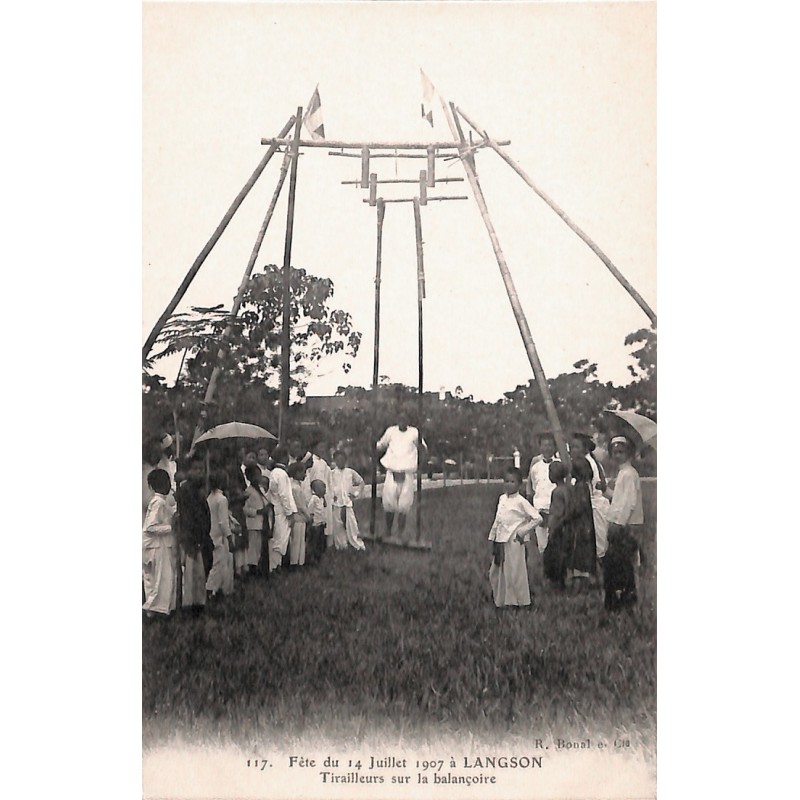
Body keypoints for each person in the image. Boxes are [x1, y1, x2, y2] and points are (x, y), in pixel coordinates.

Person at [487, 467, 541, 608]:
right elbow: (498, 519)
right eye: (506, 481)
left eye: (512, 481)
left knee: (515, 571)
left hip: (514, 540)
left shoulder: (521, 501)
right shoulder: (502, 498)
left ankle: (519, 601)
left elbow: (537, 518)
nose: (509, 484)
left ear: (519, 484)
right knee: (497, 569)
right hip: (501, 540)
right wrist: (493, 537)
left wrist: (522, 532)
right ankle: (501, 599)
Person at [603, 435, 644, 611]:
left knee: (622, 561)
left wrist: (619, 523)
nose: (618, 455)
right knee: (615, 561)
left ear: (629, 453)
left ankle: (625, 597)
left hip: (623, 525)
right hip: (617, 522)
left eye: (622, 452)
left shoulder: (629, 474)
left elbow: (629, 502)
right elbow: (618, 499)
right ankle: (618, 597)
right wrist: (605, 490)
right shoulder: (622, 473)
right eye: (615, 452)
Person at [376, 409, 426, 540]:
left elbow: (423, 449)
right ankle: (388, 531)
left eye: (404, 419)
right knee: (388, 503)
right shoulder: (391, 431)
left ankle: (400, 533)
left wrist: (421, 463)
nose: (402, 421)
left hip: (407, 473)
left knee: (404, 505)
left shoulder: (414, 432)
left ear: (408, 421)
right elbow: (380, 445)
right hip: (392, 472)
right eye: (400, 419)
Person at [175, 457, 212, 614]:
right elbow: (188, 517)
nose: (200, 473)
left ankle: (198, 602)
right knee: (190, 573)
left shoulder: (199, 491)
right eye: (196, 470)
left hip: (200, 536)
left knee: (199, 572)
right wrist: (193, 537)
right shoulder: (185, 491)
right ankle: (189, 605)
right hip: (190, 537)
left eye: (202, 470)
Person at [142, 468, 178, 618]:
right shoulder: (158, 503)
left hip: (156, 545)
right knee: (160, 578)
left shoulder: (161, 502)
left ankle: (154, 611)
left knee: (154, 579)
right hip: (156, 546)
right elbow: (150, 527)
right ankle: (154, 609)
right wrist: (170, 527)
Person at [570, 432, 610, 561]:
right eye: (571, 447)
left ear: (585, 448)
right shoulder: (591, 461)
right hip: (594, 505)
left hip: (594, 507)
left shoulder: (586, 463)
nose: (572, 450)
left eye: (576, 447)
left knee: (597, 544)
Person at [563, 456, 598, 591]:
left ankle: (581, 581)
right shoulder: (585, 486)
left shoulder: (580, 487)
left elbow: (578, 507)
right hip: (585, 524)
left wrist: (567, 516)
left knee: (579, 551)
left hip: (580, 525)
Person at [265, 447, 298, 572]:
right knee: (280, 540)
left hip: (275, 509)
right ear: (284, 458)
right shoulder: (281, 474)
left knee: (277, 539)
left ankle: (275, 566)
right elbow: (284, 496)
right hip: (281, 511)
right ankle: (274, 567)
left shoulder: (274, 473)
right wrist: (289, 513)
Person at [527, 432, 560, 554]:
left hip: (555, 508)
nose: (547, 448)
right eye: (544, 445)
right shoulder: (536, 465)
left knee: (556, 541)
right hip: (540, 508)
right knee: (542, 543)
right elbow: (534, 486)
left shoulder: (558, 464)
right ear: (540, 447)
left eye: (550, 445)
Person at [330, 449, 366, 551]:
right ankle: (342, 546)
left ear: (345, 460)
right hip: (336, 503)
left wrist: (356, 494)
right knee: (338, 525)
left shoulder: (350, 472)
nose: (340, 461)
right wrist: (332, 495)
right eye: (338, 459)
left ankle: (356, 544)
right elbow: (328, 486)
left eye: (342, 459)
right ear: (335, 461)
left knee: (352, 525)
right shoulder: (332, 473)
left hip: (347, 502)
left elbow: (361, 482)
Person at [542, 461, 571, 589]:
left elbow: (557, 513)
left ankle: (557, 582)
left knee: (553, 555)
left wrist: (552, 528)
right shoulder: (568, 489)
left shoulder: (557, 492)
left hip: (558, 526)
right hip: (566, 526)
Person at [205, 472, 234, 599]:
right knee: (219, 563)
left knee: (220, 563)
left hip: (212, 532)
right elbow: (223, 521)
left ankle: (220, 588)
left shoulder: (210, 497)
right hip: (219, 535)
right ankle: (211, 589)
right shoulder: (222, 500)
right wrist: (229, 536)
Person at [243, 464, 268, 576]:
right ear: (249, 477)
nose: (258, 478)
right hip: (253, 523)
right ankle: (252, 570)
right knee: (253, 548)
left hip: (262, 523)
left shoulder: (261, 489)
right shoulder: (248, 491)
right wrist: (257, 512)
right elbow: (244, 509)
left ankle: (259, 569)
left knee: (259, 548)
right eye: (255, 475)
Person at [288, 461, 311, 567]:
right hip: (298, 517)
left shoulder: (297, 486)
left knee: (300, 541)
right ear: (296, 473)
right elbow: (301, 506)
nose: (305, 475)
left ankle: (300, 562)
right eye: (303, 472)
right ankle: (294, 563)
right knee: (297, 541)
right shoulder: (295, 488)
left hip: (301, 518)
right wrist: (309, 516)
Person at [306, 479, 328, 565]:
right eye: (323, 488)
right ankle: (312, 558)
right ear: (316, 489)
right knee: (314, 542)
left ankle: (319, 557)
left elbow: (324, 509)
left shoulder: (321, 499)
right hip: (316, 525)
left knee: (321, 542)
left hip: (321, 524)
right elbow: (310, 511)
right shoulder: (314, 499)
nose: (325, 491)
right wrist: (311, 523)